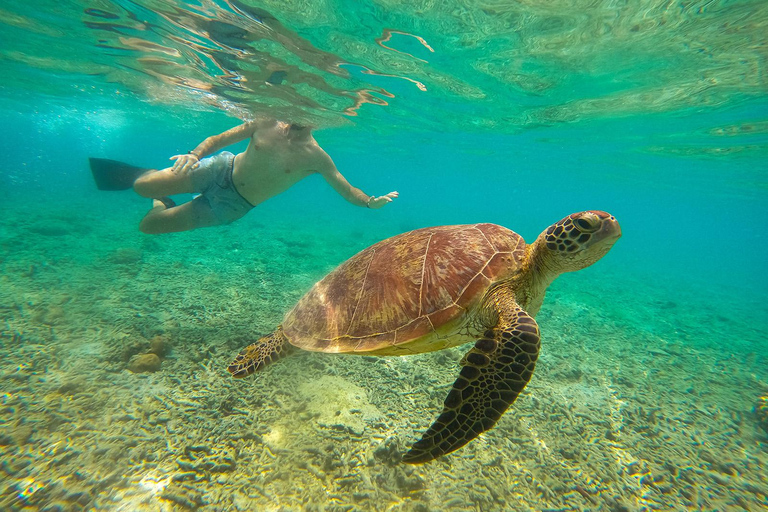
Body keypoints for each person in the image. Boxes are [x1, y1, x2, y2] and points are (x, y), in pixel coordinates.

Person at [89, 118, 398, 234]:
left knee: (149, 226)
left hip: (232, 206)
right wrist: (195, 155)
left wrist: (371, 202)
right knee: (142, 185)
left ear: (321, 120)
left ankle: (163, 203)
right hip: (218, 169)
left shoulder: (317, 157)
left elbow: (347, 191)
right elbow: (218, 140)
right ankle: (151, 181)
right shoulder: (265, 122)